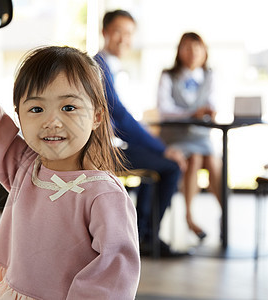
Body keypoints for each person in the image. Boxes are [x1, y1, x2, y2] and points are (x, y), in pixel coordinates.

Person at [0, 36, 140, 299]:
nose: (52, 121)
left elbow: (113, 274)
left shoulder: (103, 195)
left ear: (97, 116)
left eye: (68, 107)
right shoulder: (25, 168)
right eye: (36, 108)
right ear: (19, 116)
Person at [94, 9, 187, 257]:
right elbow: (121, 119)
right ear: (104, 32)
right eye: (118, 32)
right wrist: (162, 148)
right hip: (102, 152)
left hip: (115, 146)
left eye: (129, 34)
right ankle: (147, 236)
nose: (124, 39)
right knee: (170, 165)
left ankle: (143, 233)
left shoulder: (112, 67)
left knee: (157, 161)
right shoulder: (98, 67)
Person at [157, 32, 222, 240]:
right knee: (194, 158)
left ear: (204, 52)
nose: (192, 53)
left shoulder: (210, 76)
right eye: (187, 47)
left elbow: (214, 103)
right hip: (175, 137)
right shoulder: (168, 75)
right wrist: (191, 114)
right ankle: (189, 216)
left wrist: (210, 111)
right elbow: (164, 109)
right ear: (179, 51)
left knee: (212, 160)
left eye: (197, 47)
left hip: (201, 137)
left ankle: (223, 213)